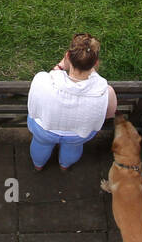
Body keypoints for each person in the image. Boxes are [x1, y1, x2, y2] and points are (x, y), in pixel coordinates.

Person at [26, 33, 118, 171]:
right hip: (78, 135)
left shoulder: (42, 80)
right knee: (73, 149)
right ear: (96, 63)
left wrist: (60, 65)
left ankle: (38, 165)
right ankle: (65, 166)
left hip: (44, 130)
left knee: (40, 145)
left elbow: (33, 108)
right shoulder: (106, 91)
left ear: (67, 56)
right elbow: (109, 115)